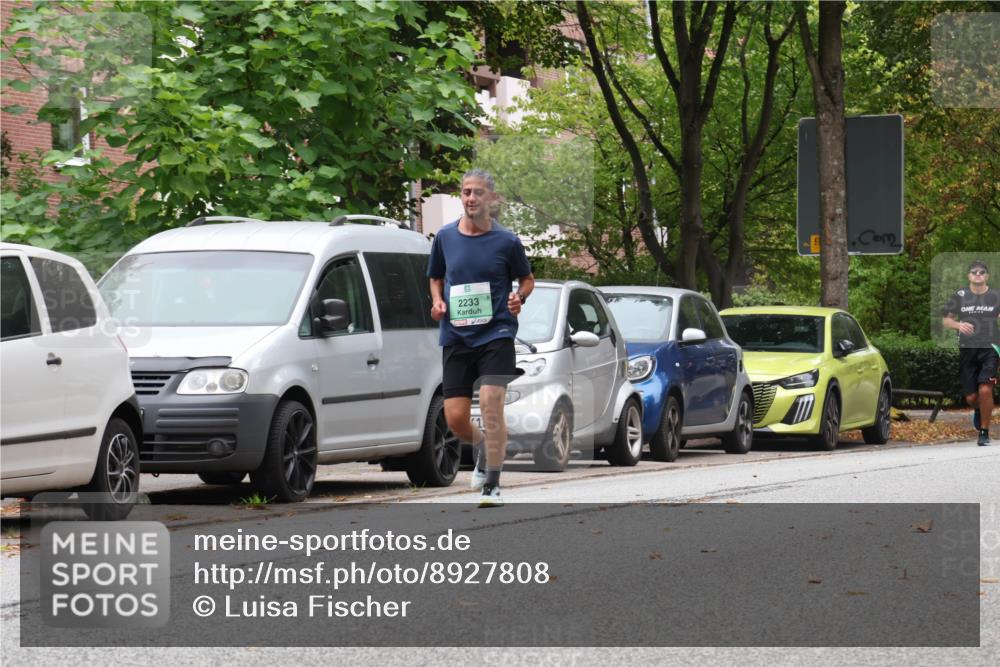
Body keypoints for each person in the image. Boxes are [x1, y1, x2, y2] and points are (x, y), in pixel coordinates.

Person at [427, 169, 534, 507]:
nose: (470, 198)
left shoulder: (507, 241)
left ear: (492, 198)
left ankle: (493, 485)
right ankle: (485, 452)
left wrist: (520, 297)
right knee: (455, 419)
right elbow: (435, 277)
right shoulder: (445, 238)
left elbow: (527, 279)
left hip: (496, 333)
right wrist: (437, 301)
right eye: (465, 192)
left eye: (477, 192)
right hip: (456, 336)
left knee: (490, 402)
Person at [942, 259, 1000, 446]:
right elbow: (946, 320)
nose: (978, 274)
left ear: (987, 276)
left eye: (981, 272)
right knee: (972, 397)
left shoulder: (995, 296)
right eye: (974, 272)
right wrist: (959, 325)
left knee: (985, 389)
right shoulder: (959, 296)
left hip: (990, 348)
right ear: (969, 275)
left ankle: (984, 432)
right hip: (967, 350)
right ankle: (978, 409)